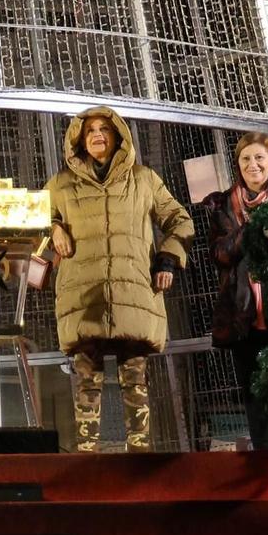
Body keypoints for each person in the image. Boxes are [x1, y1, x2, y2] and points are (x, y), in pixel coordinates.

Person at [47, 106, 195, 451]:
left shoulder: (144, 179)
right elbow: (32, 221)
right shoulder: (60, 184)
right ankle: (86, 457)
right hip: (84, 294)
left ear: (118, 136)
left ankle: (139, 456)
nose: (97, 135)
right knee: (86, 379)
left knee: (136, 376)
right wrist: (53, 229)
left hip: (134, 289)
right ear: (79, 140)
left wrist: (167, 261)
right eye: (90, 131)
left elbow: (180, 220)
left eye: (104, 129)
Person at [197, 131, 268, 451]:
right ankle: (264, 457)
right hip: (241, 312)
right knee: (254, 389)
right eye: (245, 158)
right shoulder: (221, 205)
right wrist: (250, 230)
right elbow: (218, 254)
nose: (252, 164)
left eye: (259, 157)